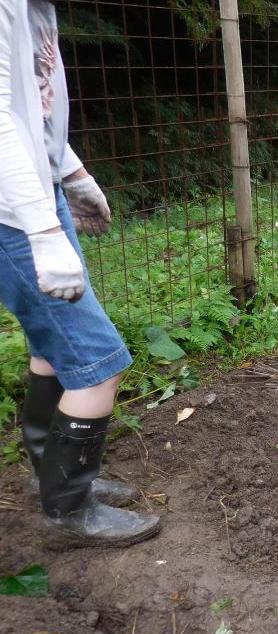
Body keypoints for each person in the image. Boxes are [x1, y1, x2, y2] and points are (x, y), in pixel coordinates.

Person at [1, 0, 160, 545]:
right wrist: (42, 232)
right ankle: (67, 512)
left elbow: (30, 107)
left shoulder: (35, 6)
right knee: (96, 363)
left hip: (36, 194)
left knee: (52, 348)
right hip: (13, 212)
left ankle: (50, 477)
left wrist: (70, 171)